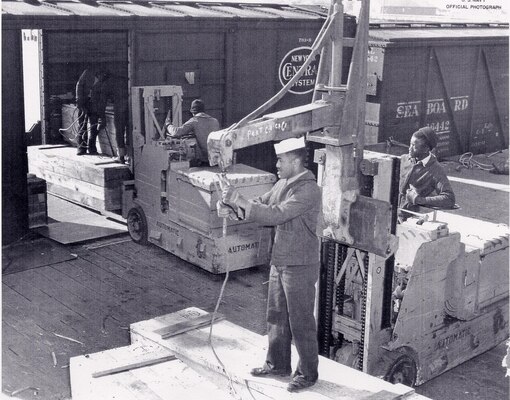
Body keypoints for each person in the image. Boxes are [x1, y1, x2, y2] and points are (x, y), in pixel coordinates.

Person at [221, 136, 321, 393]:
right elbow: (261, 205)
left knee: (300, 321)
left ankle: (308, 373)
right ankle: (277, 365)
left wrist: (239, 201)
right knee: (276, 316)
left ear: (296, 161)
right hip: (280, 260)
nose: (276, 164)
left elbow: (278, 215)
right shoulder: (282, 183)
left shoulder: (308, 189)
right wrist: (233, 206)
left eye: (280, 160)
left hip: (299, 264)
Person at [399, 126, 455, 220]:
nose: (410, 149)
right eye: (410, 144)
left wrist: (418, 200)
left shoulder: (435, 170)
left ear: (426, 149)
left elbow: (449, 198)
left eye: (414, 146)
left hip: (410, 219)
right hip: (389, 213)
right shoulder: (404, 159)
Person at [164, 99, 219, 166]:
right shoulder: (215, 121)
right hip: (216, 159)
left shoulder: (195, 120)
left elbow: (176, 132)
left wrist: (168, 125)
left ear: (193, 112)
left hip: (204, 160)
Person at [75, 68, 110, 155]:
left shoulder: (104, 83)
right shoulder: (87, 73)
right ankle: (81, 148)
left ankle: (92, 148)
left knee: (93, 126)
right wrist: (79, 101)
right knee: (82, 124)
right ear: (98, 74)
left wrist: (101, 114)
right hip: (83, 102)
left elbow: (103, 100)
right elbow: (79, 85)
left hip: (94, 105)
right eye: (102, 76)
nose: (102, 78)